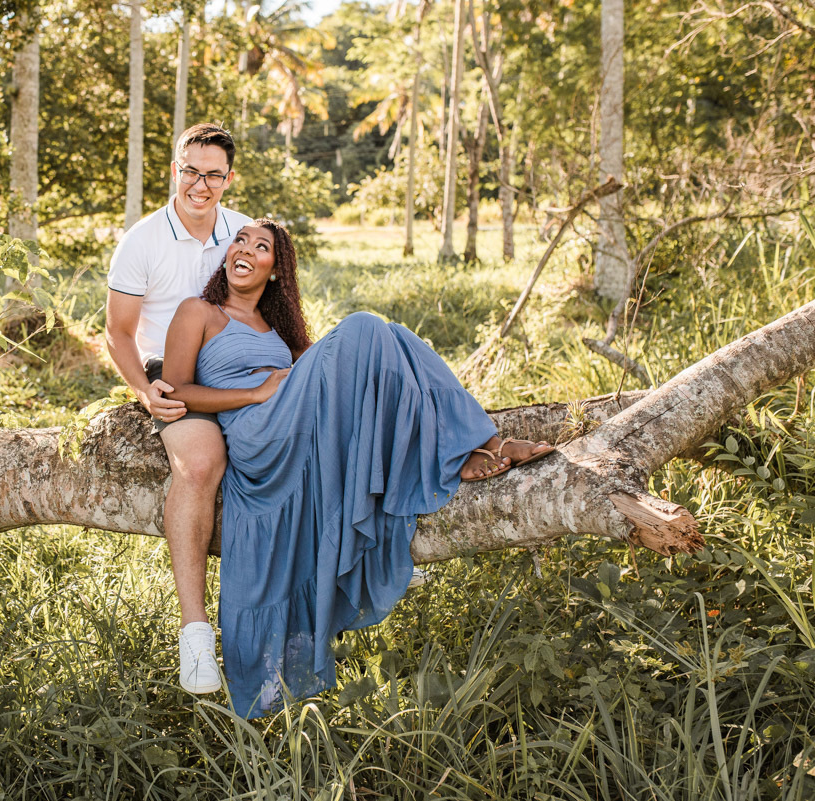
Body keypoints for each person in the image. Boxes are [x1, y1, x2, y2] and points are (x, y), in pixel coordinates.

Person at [161, 219, 554, 718]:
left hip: (295, 430)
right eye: (240, 240)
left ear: (276, 270)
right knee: (367, 327)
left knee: (395, 337)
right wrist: (255, 392)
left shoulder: (281, 333)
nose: (245, 249)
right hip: (256, 435)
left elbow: (342, 386)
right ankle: (466, 449)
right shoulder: (200, 312)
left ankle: (481, 444)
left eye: (261, 247)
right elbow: (175, 393)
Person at [105, 123, 254, 694]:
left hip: (238, 363)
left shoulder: (243, 231)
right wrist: (146, 393)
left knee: (306, 430)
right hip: (173, 371)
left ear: (227, 179)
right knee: (199, 465)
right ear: (176, 170)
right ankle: (195, 634)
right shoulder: (142, 241)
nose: (201, 183)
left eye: (213, 174)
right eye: (191, 170)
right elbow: (118, 333)